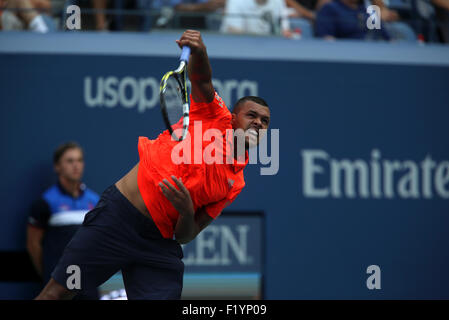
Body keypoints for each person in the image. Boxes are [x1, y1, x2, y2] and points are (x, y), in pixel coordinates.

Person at [35, 29, 271, 300]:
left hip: (158, 244)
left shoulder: (235, 183)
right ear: (232, 118)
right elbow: (202, 79)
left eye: (265, 122)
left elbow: (187, 234)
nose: (258, 123)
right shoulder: (214, 115)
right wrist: (200, 51)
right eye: (251, 115)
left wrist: (184, 211)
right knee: (57, 293)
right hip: (117, 219)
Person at [27, 142, 100, 300]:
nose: (76, 165)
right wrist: (51, 275)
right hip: (59, 287)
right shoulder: (45, 202)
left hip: (88, 284)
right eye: (70, 161)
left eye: (79, 160)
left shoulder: (94, 201)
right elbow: (33, 244)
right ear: (57, 167)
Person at [315, 0, 390, 40]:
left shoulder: (368, 10)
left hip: (372, 52)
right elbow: (326, 38)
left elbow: (387, 38)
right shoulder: (330, 8)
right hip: (346, 55)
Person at [221, 0, 292, 37]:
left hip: (269, 49)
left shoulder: (279, 1)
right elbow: (235, 32)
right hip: (238, 49)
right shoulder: (236, 1)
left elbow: (284, 30)